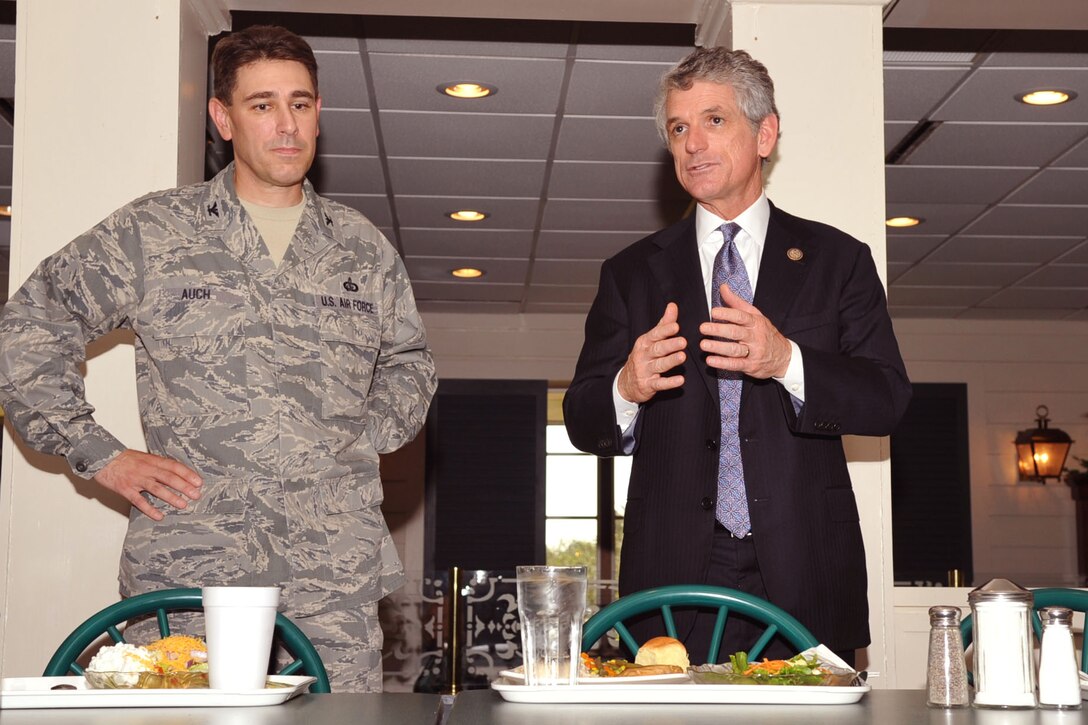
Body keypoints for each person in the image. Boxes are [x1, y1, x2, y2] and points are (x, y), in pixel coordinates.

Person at [0, 25, 436, 692]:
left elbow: (410, 361)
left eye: (301, 103)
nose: (286, 125)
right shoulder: (155, 232)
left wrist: (360, 438)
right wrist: (99, 453)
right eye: (262, 105)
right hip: (194, 564)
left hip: (333, 573)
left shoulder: (361, 249)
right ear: (222, 118)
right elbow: (28, 328)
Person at [563, 47, 911, 666]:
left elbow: (886, 399)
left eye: (714, 120)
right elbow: (584, 419)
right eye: (678, 128)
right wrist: (626, 385)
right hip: (670, 575)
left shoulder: (839, 260)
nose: (693, 143)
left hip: (807, 564)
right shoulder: (630, 274)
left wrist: (787, 361)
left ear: (766, 133)